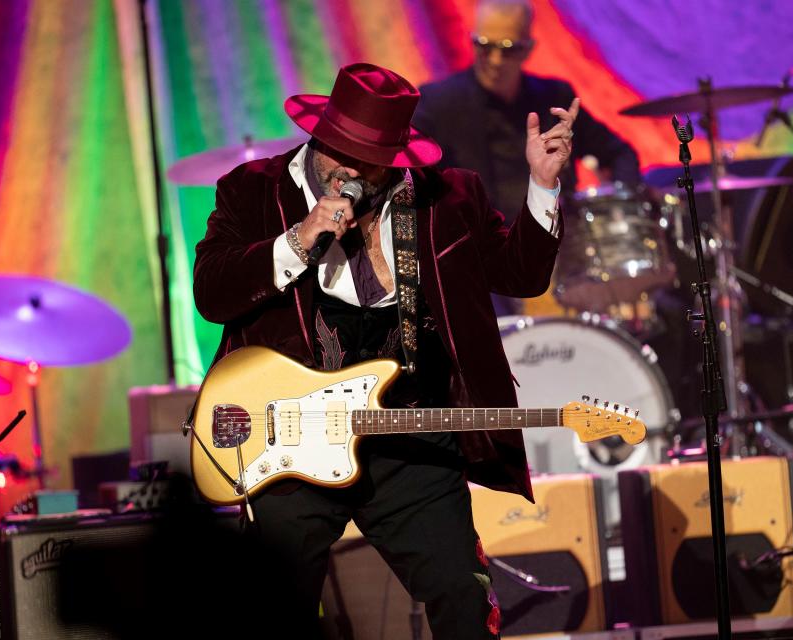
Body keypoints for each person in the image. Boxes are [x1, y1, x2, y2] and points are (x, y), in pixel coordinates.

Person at [193, 62, 576, 638]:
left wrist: (543, 183)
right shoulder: (253, 192)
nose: (346, 169)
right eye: (338, 151)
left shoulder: (446, 198)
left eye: (366, 161)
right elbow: (212, 292)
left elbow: (520, 275)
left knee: (463, 600)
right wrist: (298, 239)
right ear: (317, 134)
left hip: (409, 437)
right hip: (293, 444)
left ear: (396, 159)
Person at [413, 0, 640, 227]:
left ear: (528, 49)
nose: (495, 60)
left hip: (558, 245)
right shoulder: (437, 103)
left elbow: (620, 154)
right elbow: (406, 180)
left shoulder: (556, 97)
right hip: (481, 251)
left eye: (508, 49)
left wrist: (621, 211)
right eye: (484, 46)